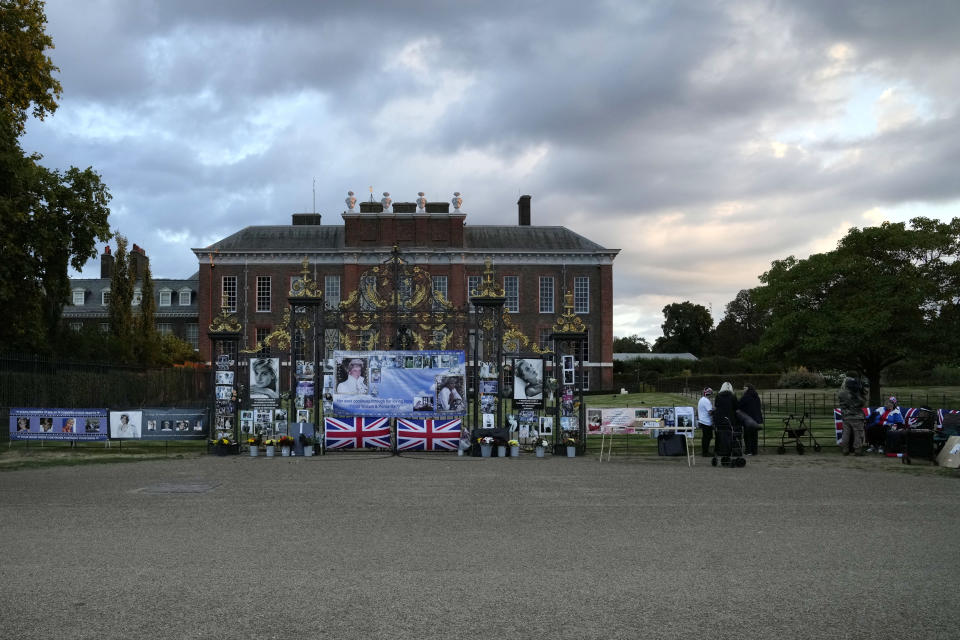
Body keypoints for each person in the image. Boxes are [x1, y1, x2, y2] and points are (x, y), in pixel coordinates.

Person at [838, 374, 867, 456]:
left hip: (845, 416)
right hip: (857, 416)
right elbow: (863, 403)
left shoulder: (841, 393)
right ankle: (857, 450)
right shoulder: (856, 394)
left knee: (846, 433)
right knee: (858, 434)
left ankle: (845, 449)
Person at [737, 383, 764, 456]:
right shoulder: (756, 396)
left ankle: (748, 451)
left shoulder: (745, 397)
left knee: (747, 435)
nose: (743, 390)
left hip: (748, 419)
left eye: (744, 388)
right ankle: (754, 451)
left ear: (748, 388)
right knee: (754, 436)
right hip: (755, 419)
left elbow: (739, 405)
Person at [713, 382, 738, 457]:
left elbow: (716, 405)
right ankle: (729, 450)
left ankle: (718, 450)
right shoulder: (733, 396)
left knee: (719, 435)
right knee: (729, 435)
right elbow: (736, 407)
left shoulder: (718, 396)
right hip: (730, 419)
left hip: (719, 419)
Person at [697, 387, 714, 457]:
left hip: (703, 420)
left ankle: (705, 451)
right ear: (709, 393)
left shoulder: (702, 399)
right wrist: (716, 410)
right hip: (706, 422)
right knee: (707, 437)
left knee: (706, 437)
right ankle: (705, 452)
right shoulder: (706, 401)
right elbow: (710, 412)